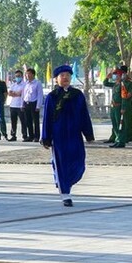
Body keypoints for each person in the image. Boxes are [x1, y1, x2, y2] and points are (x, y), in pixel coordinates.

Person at [41, 65, 95, 206]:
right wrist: (46, 138)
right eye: (62, 75)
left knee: (78, 163)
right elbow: (47, 118)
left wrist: (88, 134)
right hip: (59, 136)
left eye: (67, 75)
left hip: (74, 135)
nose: (65, 78)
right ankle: (65, 194)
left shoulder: (77, 95)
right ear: (56, 79)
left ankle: (65, 183)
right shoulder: (52, 97)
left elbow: (84, 115)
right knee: (60, 164)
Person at [103, 66, 132, 148]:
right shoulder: (116, 84)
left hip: (119, 107)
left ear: (120, 75)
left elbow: (124, 97)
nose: (115, 76)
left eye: (116, 74)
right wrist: (107, 77)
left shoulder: (123, 84)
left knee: (121, 125)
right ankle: (117, 139)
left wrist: (123, 108)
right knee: (115, 125)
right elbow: (105, 83)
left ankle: (121, 141)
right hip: (114, 107)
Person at [23, 68, 43, 142]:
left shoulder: (37, 83)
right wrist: (22, 104)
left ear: (33, 74)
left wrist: (38, 106)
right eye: (26, 74)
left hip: (34, 103)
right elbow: (24, 94)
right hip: (26, 103)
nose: (27, 75)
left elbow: (40, 95)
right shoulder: (26, 83)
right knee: (28, 121)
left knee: (35, 121)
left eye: (29, 74)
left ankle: (37, 136)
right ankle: (30, 136)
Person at [7, 69, 26, 141]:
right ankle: (13, 135)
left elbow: (21, 93)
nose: (17, 77)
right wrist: (16, 93)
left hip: (20, 105)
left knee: (23, 121)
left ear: (22, 76)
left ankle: (24, 135)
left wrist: (15, 93)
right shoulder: (13, 85)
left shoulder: (24, 85)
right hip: (13, 105)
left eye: (19, 76)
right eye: (16, 76)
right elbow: (10, 93)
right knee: (13, 121)